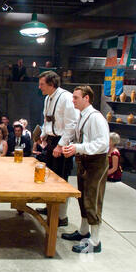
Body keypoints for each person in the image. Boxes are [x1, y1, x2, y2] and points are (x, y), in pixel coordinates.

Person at [61, 85, 110, 254]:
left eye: (76, 97)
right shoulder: (82, 116)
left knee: (92, 199)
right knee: (82, 197)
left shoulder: (96, 117)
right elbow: (80, 138)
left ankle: (95, 242)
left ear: (86, 98)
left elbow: (103, 143)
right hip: (85, 160)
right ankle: (83, 231)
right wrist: (72, 147)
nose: (72, 100)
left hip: (96, 162)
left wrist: (78, 148)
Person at [36, 70, 79, 227]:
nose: (39, 87)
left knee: (61, 179)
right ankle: (50, 209)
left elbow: (72, 124)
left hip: (63, 142)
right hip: (51, 141)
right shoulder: (48, 98)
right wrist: (43, 133)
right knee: (49, 177)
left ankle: (61, 216)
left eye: (42, 84)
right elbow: (47, 120)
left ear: (51, 84)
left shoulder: (66, 98)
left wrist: (61, 145)